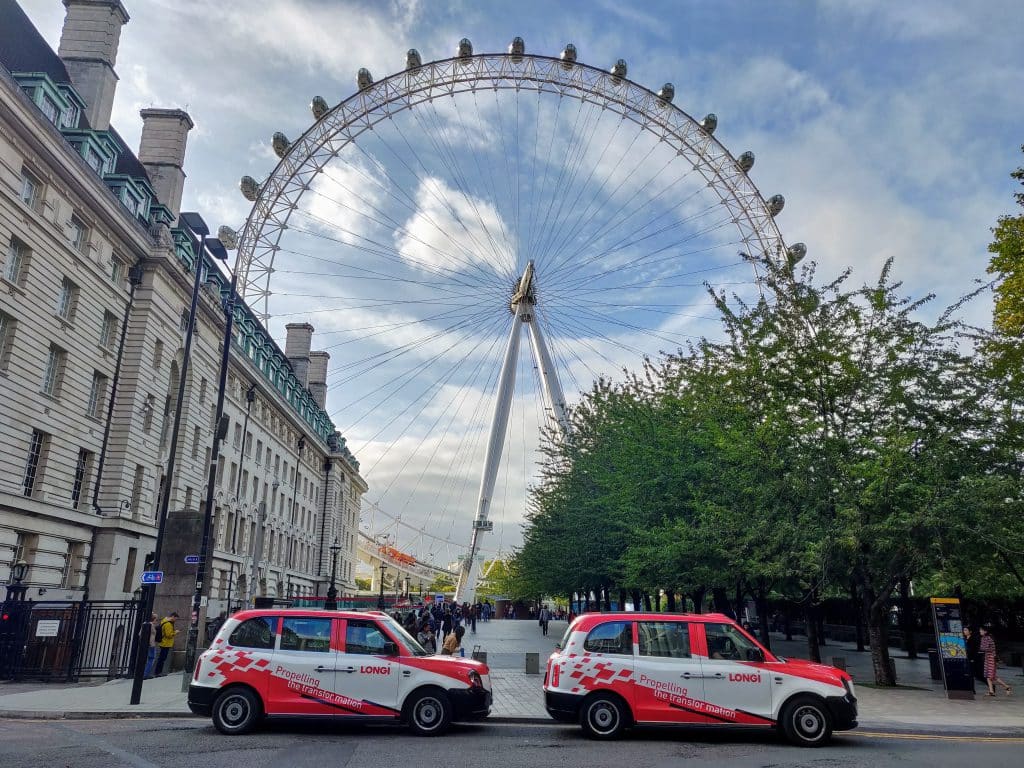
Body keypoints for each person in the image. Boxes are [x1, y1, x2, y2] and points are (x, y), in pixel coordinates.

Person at [979, 624, 1012, 696]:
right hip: (987, 658)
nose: (980, 631)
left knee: (991, 676)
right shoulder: (984, 638)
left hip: (991, 658)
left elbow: (984, 648)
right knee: (989, 676)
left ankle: (1006, 687)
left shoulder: (988, 638)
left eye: (981, 630)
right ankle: (992, 691)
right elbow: (983, 647)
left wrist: (981, 648)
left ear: (985, 631)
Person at [155, 612, 179, 676]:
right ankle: (158, 672)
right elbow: (168, 635)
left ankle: (158, 672)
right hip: (166, 643)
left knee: (161, 658)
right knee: (162, 658)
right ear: (173, 617)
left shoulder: (164, 621)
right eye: (175, 619)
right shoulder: (168, 624)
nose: (175, 620)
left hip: (163, 642)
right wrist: (175, 632)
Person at [142, 612, 158, 679]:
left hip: (147, 644)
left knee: (148, 658)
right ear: (153, 619)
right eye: (156, 619)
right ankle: (145, 674)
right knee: (151, 658)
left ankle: (144, 673)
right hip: (151, 644)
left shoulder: (145, 623)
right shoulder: (150, 625)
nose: (156, 621)